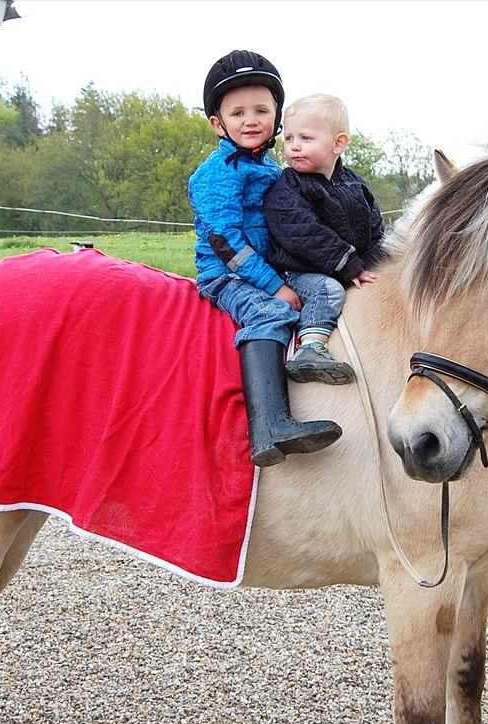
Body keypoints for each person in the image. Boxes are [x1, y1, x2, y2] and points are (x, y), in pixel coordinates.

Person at [188, 50, 342, 468]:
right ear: (218, 123)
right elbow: (226, 243)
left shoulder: (273, 171)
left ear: (276, 116)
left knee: (328, 290)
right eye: (238, 112)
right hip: (227, 275)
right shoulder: (215, 174)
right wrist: (274, 286)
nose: (251, 120)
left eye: (261, 109)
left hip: (272, 268)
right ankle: (270, 425)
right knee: (270, 313)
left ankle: (313, 355)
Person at [264, 94, 385, 384]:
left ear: (338, 143)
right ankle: (311, 348)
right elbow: (304, 234)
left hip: (344, 267)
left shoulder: (354, 184)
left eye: (305, 138)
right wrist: (349, 264)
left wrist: (376, 263)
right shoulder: (288, 187)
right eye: (289, 137)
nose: (294, 146)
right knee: (328, 291)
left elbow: (374, 224)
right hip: (300, 272)